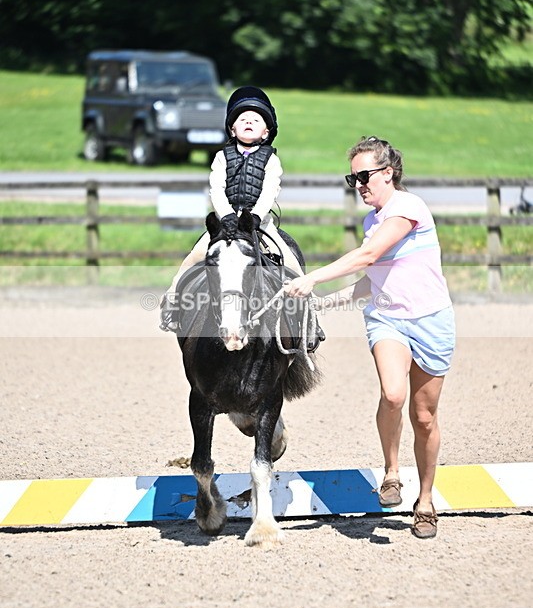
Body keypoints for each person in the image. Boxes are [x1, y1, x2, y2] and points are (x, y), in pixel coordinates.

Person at [284, 135, 455, 539]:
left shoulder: (408, 207)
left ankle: (426, 501)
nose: (358, 184)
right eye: (352, 177)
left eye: (364, 175)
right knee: (393, 394)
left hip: (432, 321)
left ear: (388, 173)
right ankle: (392, 472)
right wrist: (320, 302)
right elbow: (371, 282)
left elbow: (367, 257)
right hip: (388, 320)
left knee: (425, 417)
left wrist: (312, 278)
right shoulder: (371, 221)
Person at [160, 86, 304, 331]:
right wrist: (226, 215)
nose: (249, 121)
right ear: (232, 128)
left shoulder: (271, 159)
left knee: (293, 265)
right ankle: (172, 303)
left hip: (260, 223)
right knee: (192, 258)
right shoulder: (221, 157)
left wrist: (256, 217)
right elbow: (216, 188)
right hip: (225, 222)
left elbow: (270, 190)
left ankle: (308, 319)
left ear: (266, 131)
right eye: (242, 118)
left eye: (256, 119)